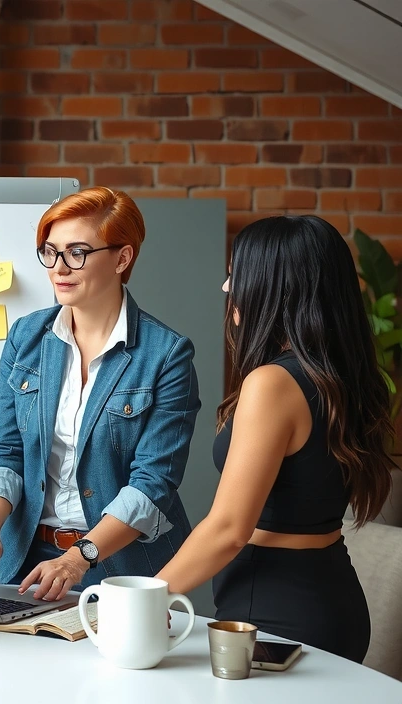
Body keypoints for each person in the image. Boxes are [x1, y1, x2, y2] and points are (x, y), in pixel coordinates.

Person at [156, 215, 393, 663]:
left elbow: (228, 528)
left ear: (273, 286)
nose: (227, 290)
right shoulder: (343, 377)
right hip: (328, 596)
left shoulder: (274, 384)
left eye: (236, 275)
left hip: (276, 609)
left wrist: (147, 597)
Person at [0, 187, 200, 600]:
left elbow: (153, 483)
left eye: (77, 252)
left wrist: (78, 557)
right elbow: (4, 448)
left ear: (122, 258)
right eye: (50, 251)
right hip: (24, 559)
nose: (59, 267)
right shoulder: (26, 337)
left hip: (120, 565)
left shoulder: (166, 354)